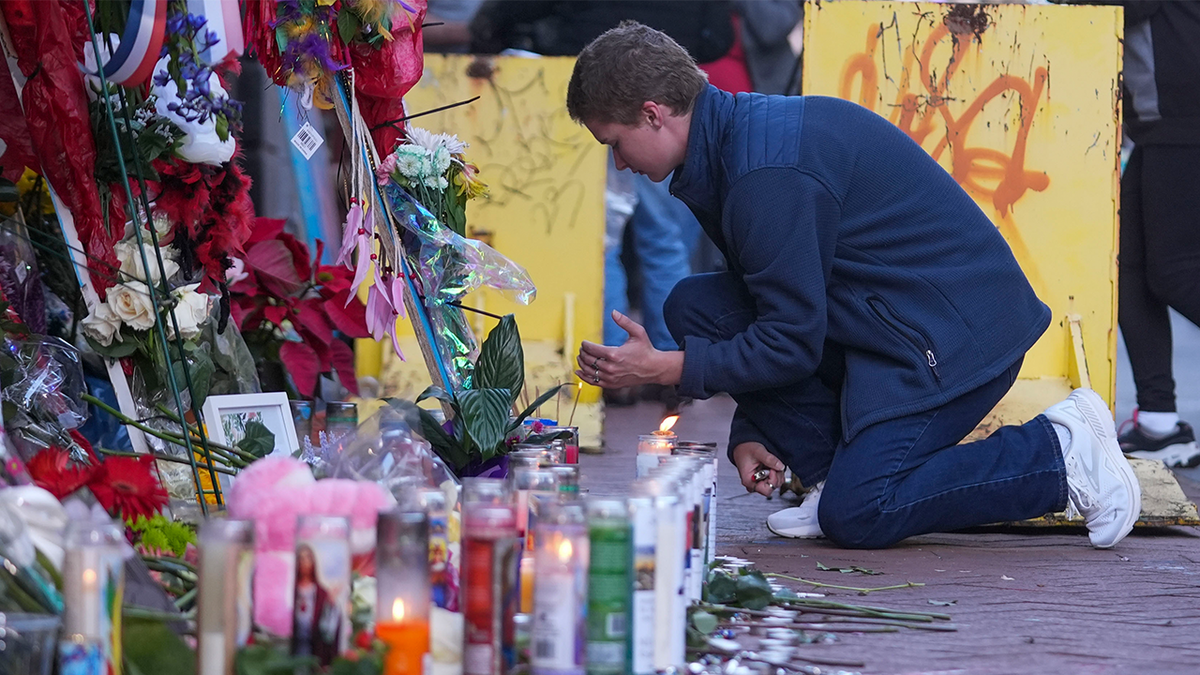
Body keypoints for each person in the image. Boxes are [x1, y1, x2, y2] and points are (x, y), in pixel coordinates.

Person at [568, 22, 1141, 550]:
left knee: (862, 512)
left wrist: (666, 368)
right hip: (892, 324)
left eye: (612, 142)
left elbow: (790, 341)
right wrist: (751, 431)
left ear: (652, 114)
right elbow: (776, 310)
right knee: (696, 304)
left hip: (957, 341)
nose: (618, 165)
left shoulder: (764, 174)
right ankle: (826, 478)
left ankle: (1061, 455)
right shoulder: (733, 144)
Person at [1110, 1, 1200, 468]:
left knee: (1174, 271)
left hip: (1182, 117)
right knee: (1127, 267)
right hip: (1160, 123)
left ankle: (1161, 422)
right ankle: (1160, 424)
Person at [292, 544, 343, 665]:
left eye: (307, 558)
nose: (304, 562)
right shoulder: (291, 591)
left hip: (314, 649)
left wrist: (330, 605)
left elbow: (329, 629)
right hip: (294, 648)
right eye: (301, 558)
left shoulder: (321, 593)